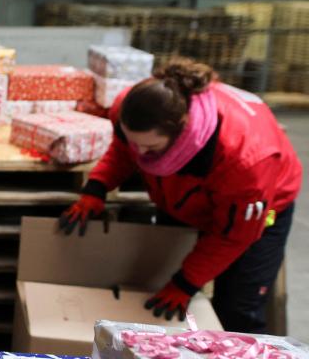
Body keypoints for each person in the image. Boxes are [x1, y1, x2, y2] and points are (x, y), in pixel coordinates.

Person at [60, 58, 301, 333]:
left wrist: (185, 284)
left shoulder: (246, 161)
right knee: (156, 282)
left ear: (181, 131)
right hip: (186, 197)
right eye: (135, 143)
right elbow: (124, 148)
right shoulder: (137, 104)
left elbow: (232, 235)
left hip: (258, 211)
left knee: (237, 309)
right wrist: (97, 188)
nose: (140, 153)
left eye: (149, 147)